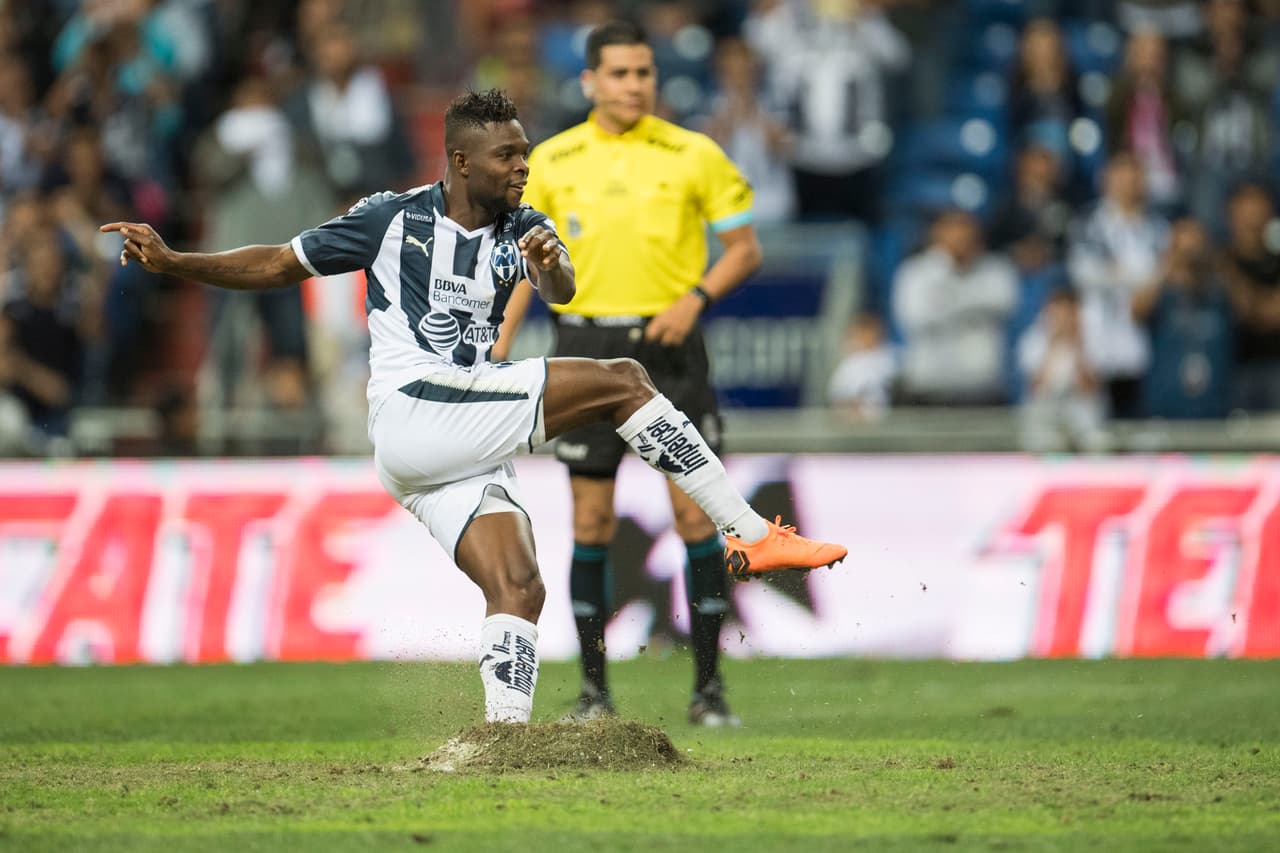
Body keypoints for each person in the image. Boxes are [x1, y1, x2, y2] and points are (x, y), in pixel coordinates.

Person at [101, 89, 846, 726]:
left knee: (518, 585)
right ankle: (749, 532)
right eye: (509, 158)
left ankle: (502, 741)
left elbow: (565, 293)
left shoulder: (525, 226)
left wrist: (553, 271)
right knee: (623, 378)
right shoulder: (389, 219)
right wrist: (175, 261)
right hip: (414, 410)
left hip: (450, 440)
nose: (523, 167)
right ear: (461, 162)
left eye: (525, 155)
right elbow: (277, 262)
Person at [495, 21, 766, 728]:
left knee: (691, 513)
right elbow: (528, 261)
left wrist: (696, 297)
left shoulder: (693, 152)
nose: (634, 85)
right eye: (619, 73)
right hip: (584, 349)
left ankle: (708, 692)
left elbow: (744, 249)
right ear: (589, 82)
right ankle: (593, 694)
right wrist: (499, 341)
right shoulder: (551, 160)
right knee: (591, 518)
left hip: (668, 346)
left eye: (643, 72)